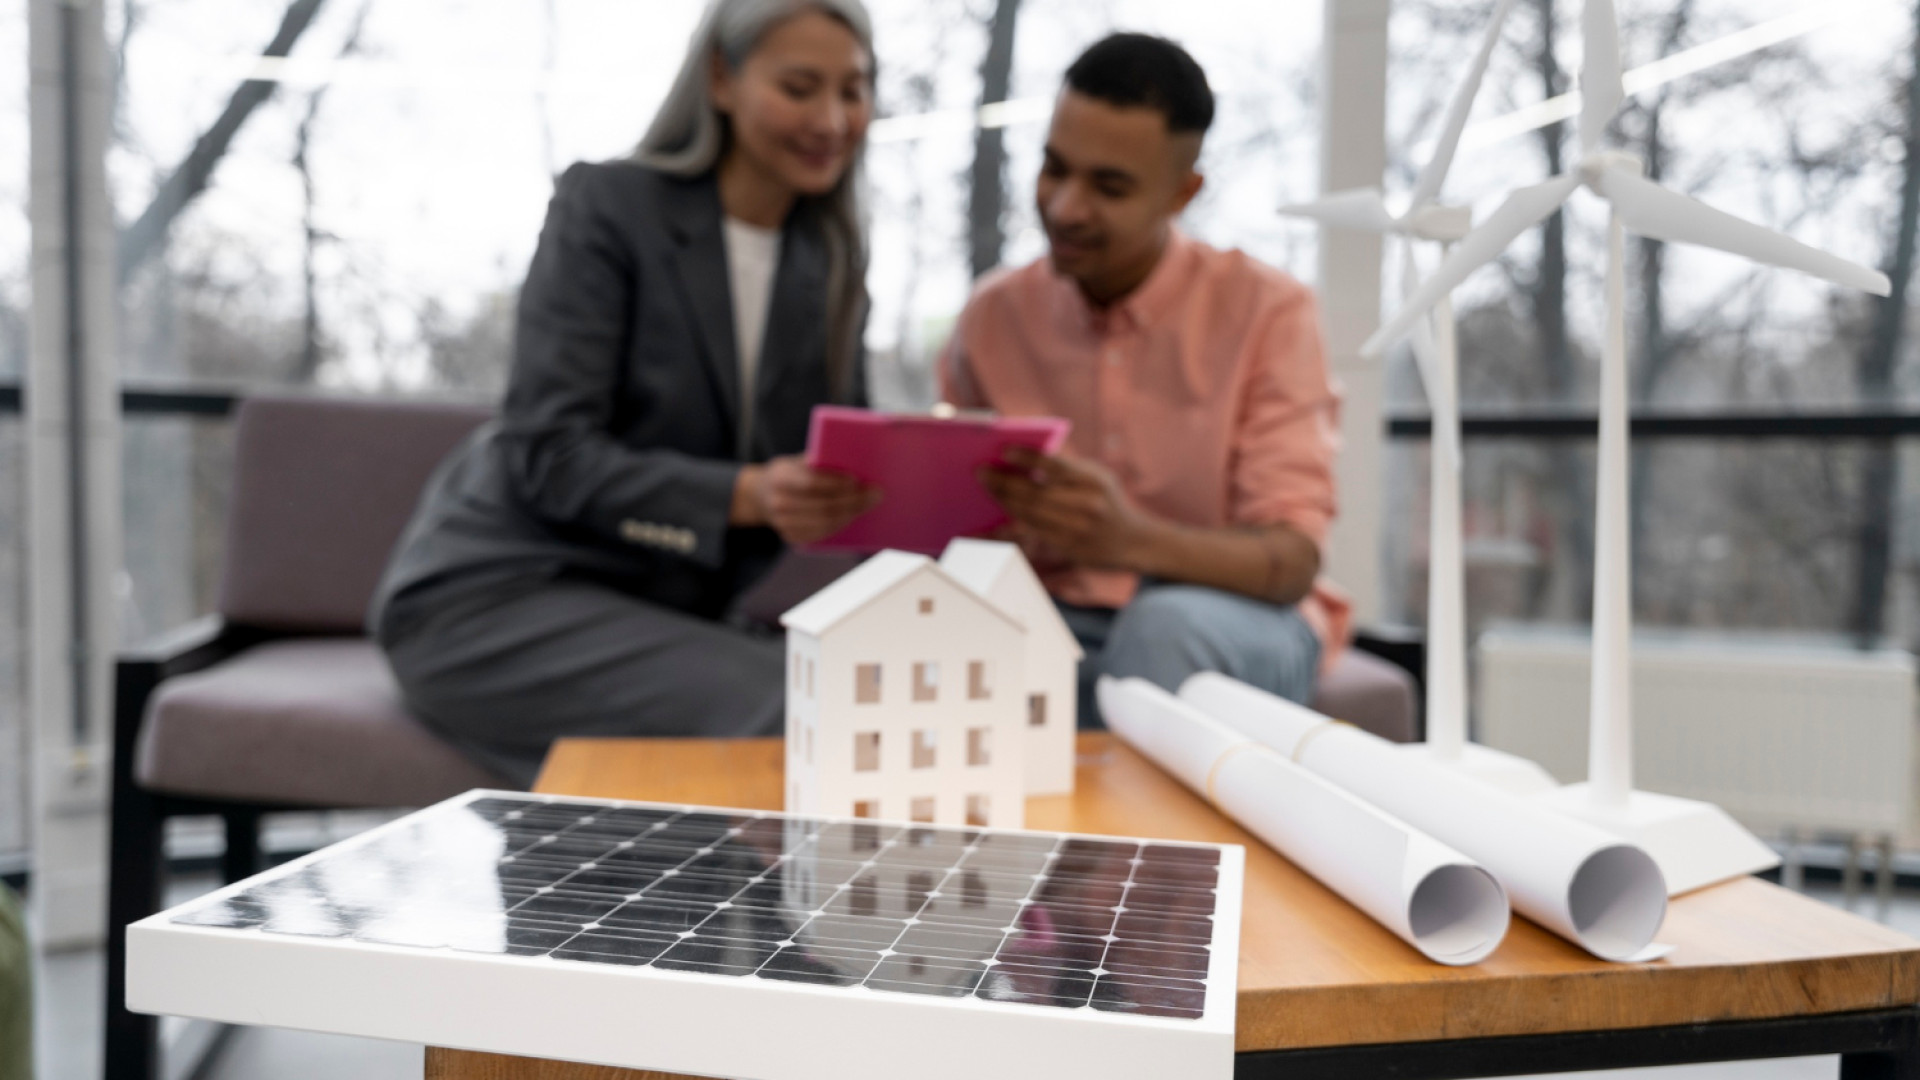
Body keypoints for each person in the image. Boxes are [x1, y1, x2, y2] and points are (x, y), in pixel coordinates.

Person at [371, 0, 880, 786]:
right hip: (497, 596)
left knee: (878, 702)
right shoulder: (608, 208)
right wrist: (747, 495)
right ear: (721, 76)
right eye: (801, 86)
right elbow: (550, 454)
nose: (833, 118)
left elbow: (835, 467)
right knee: (796, 714)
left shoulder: (831, 266)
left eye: (854, 90)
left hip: (666, 618)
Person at [943, 33, 1351, 724]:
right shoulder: (992, 316)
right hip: (1050, 609)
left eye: (1109, 186)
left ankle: (1118, 834)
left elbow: (1290, 562)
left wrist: (1125, 538)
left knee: (1162, 631)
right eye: (1054, 168)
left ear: (1183, 191)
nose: (1066, 207)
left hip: (1235, 616)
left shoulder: (1269, 312)